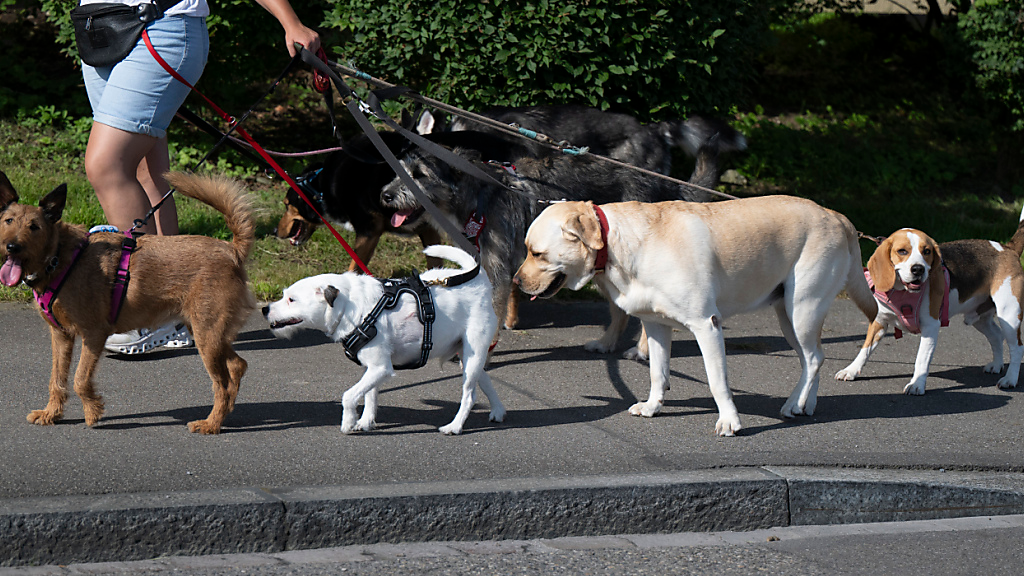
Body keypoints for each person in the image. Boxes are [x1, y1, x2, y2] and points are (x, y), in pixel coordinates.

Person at [83, 0, 320, 354]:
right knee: (146, 167)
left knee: (108, 165)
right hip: (99, 27)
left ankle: (146, 312)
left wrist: (291, 21)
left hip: (158, 23)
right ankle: (173, 309)